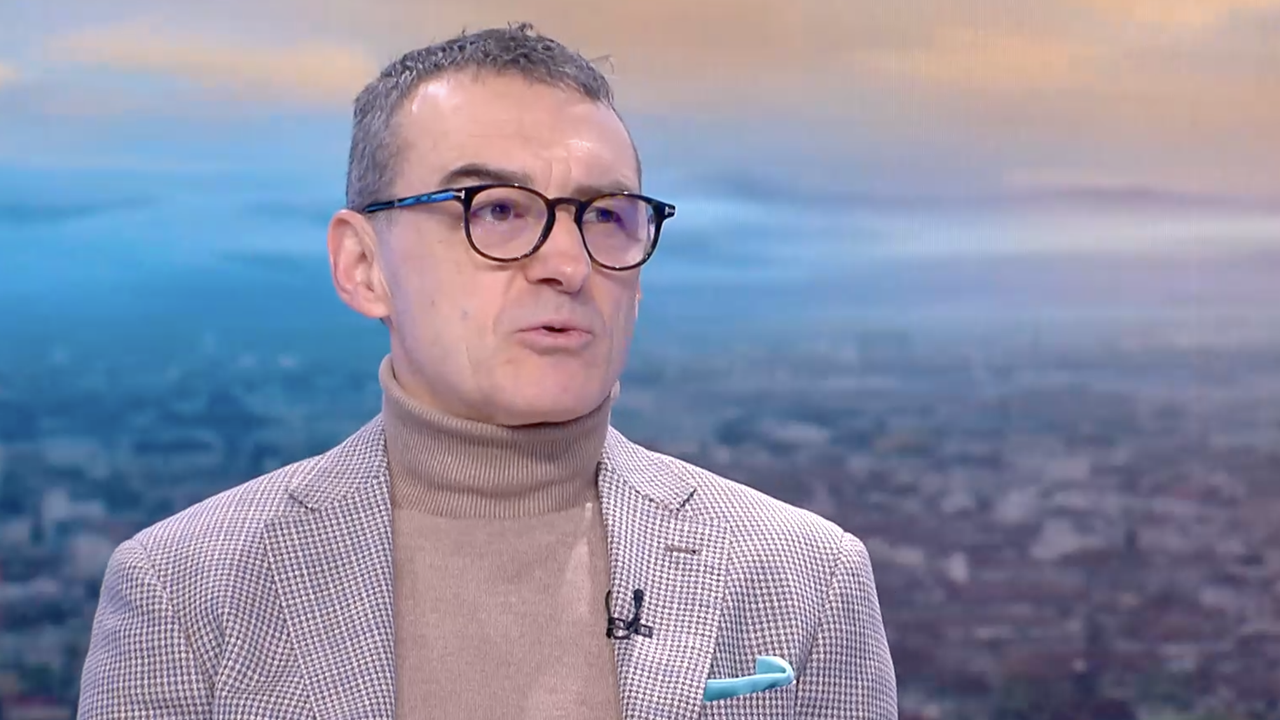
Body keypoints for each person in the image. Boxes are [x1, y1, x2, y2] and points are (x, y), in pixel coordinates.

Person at [77, 23, 897, 719]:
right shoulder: (184, 595)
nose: (568, 264)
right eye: (498, 209)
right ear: (362, 266)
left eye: (607, 217)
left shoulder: (805, 579)